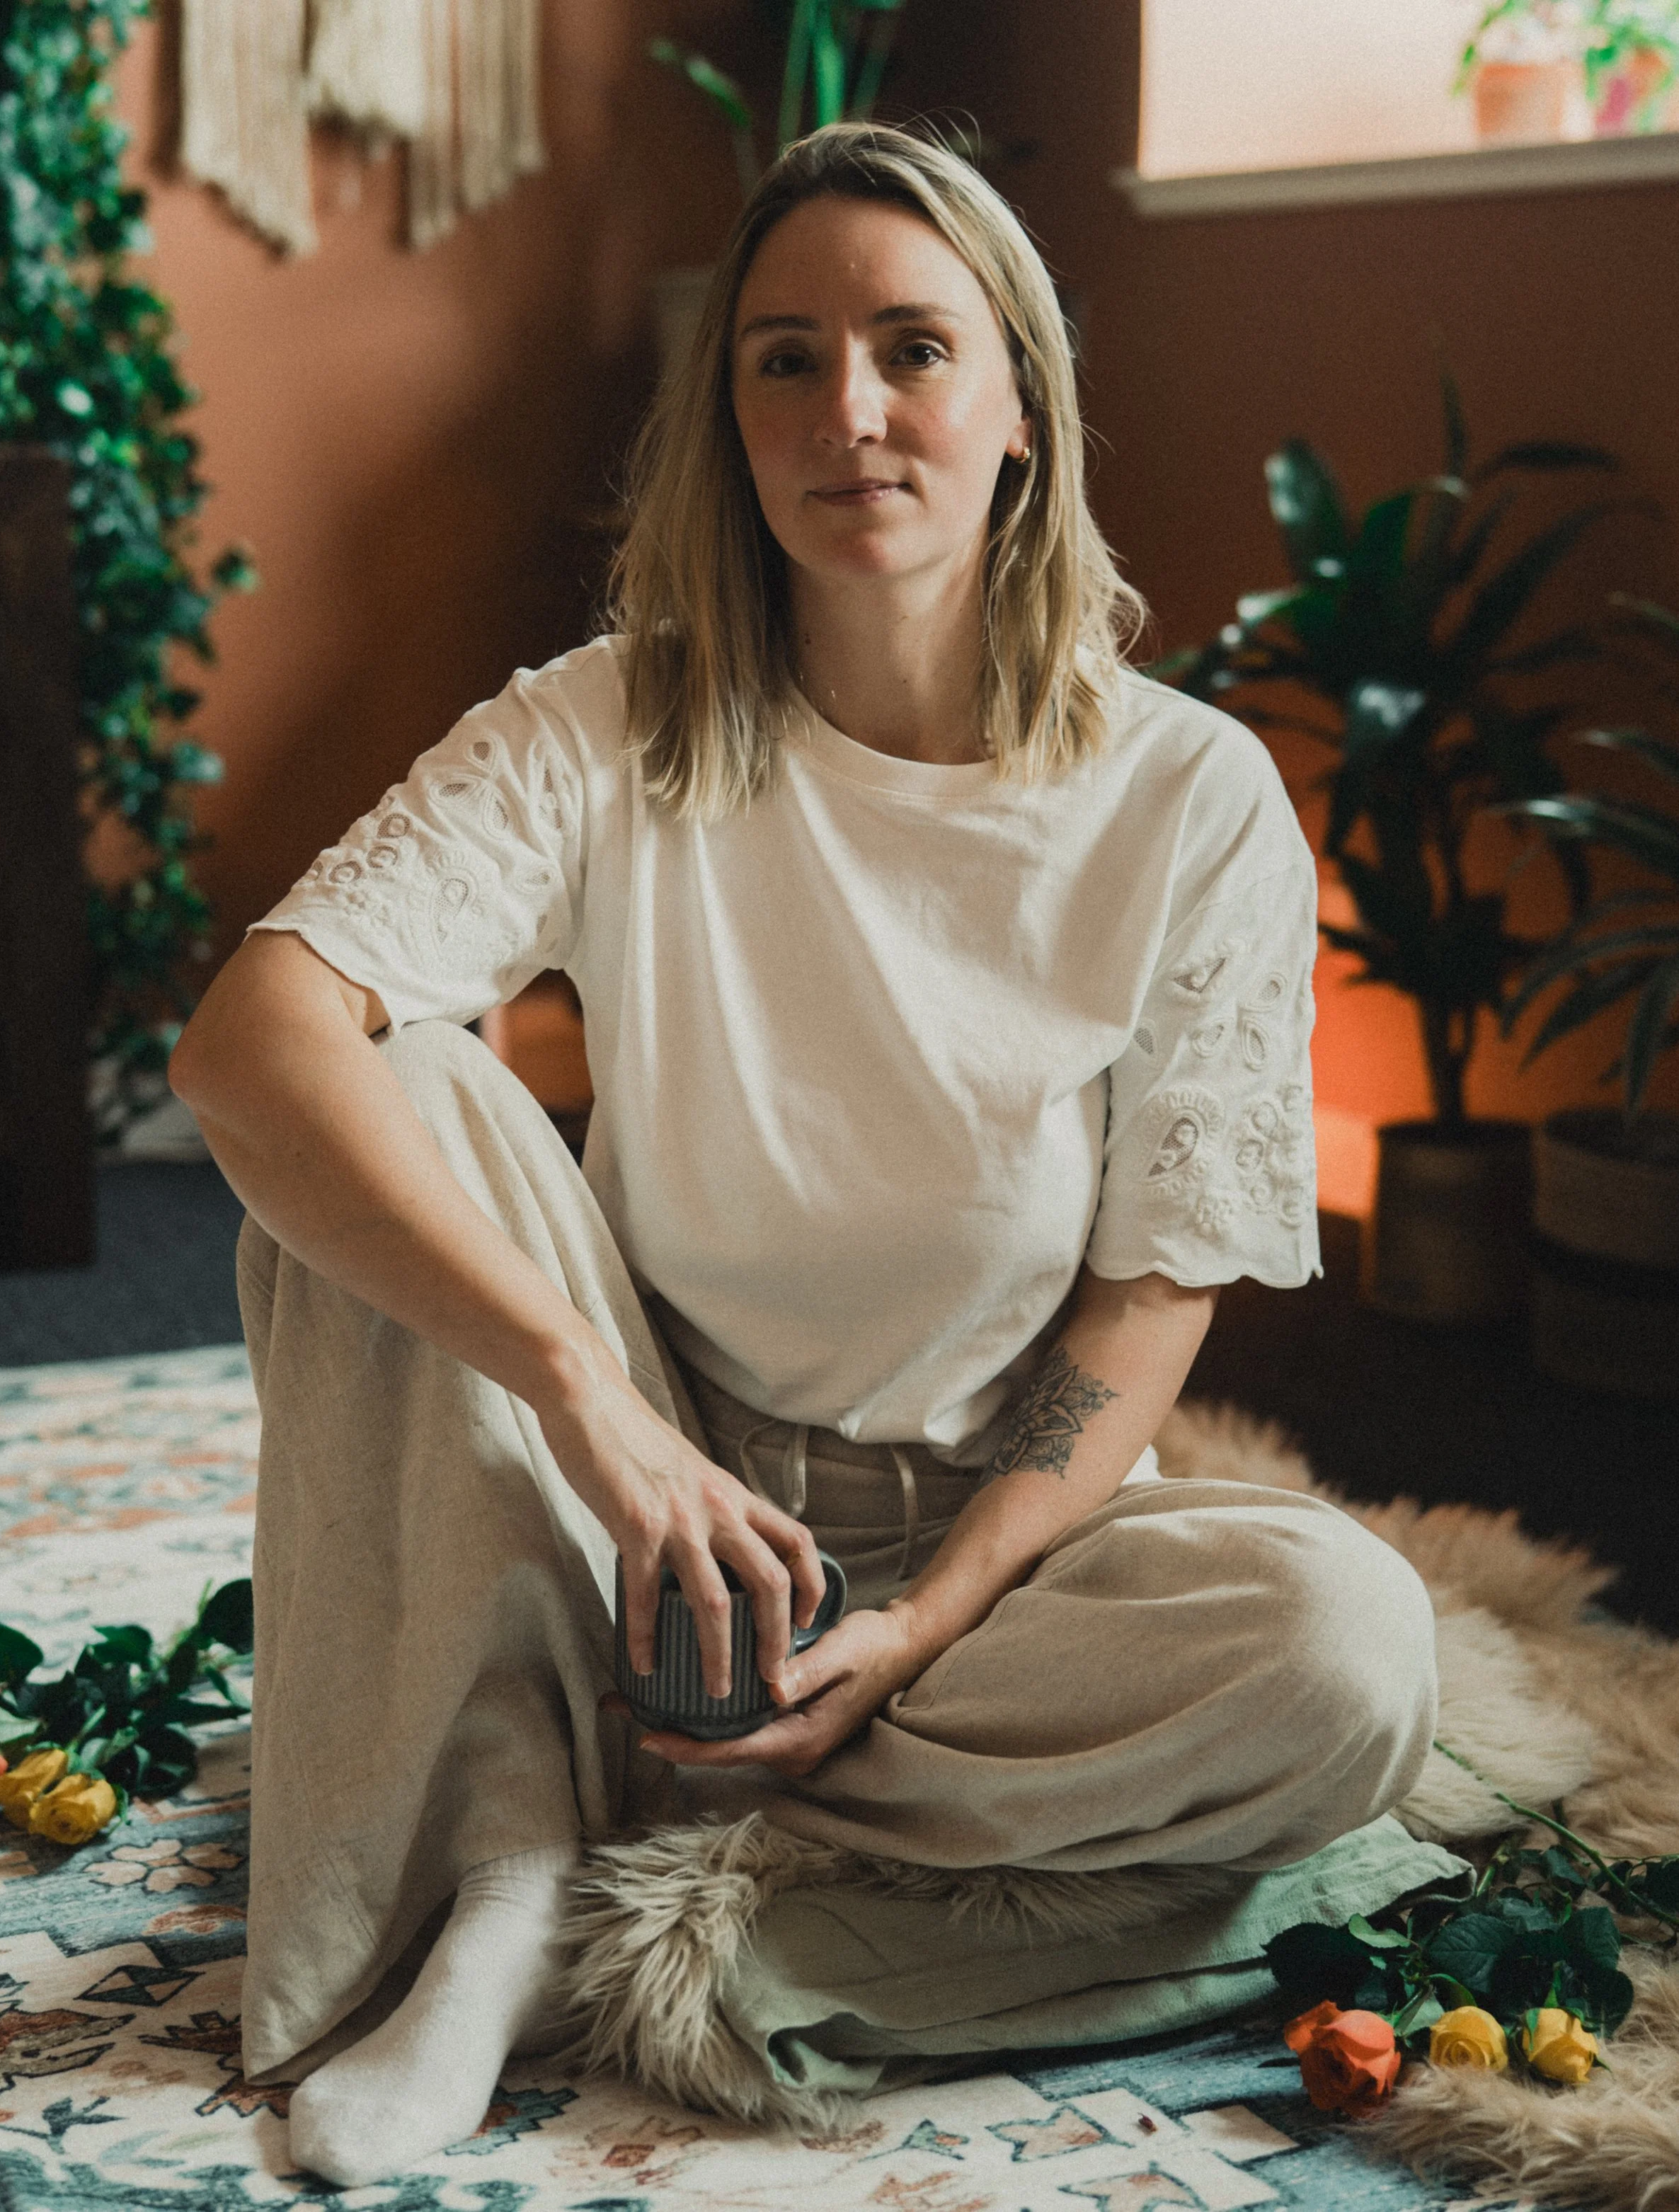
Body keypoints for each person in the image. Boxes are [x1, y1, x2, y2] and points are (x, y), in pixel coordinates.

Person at [171, 121, 1439, 2189]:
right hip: (619, 1513)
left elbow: (1144, 1289)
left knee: (1348, 1654)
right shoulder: (603, 722)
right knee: (381, 1077)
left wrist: (922, 1623)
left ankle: (633, 1862)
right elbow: (245, 1045)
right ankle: (505, 1868)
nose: (847, 409)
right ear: (725, 417)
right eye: (782, 357)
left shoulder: (1188, 797)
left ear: (1019, 407)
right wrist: (596, 1409)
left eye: (912, 348)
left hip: (973, 1562)